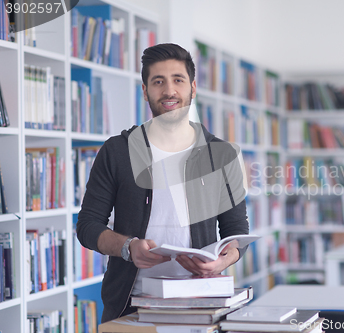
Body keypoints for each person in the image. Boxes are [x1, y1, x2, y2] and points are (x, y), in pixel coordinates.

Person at [76, 43, 249, 323]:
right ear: (145, 91)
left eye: (178, 80)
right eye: (158, 82)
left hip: (200, 303)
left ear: (193, 88)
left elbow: (237, 232)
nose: (169, 91)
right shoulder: (117, 151)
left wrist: (223, 261)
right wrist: (128, 247)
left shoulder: (221, 155)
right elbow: (87, 225)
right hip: (129, 307)